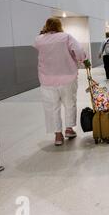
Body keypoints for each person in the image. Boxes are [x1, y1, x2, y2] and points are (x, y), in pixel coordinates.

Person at [34, 17, 87, 147]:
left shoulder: (38, 40)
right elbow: (79, 51)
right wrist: (82, 59)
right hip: (68, 77)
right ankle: (69, 129)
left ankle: (58, 135)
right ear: (59, 26)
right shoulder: (66, 37)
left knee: (52, 107)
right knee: (69, 103)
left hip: (47, 79)